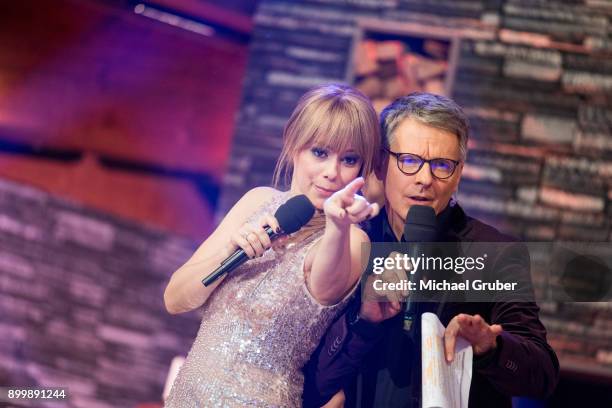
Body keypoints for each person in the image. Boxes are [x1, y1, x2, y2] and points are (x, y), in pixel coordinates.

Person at [303, 92, 560, 408]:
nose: (425, 179)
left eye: (441, 165)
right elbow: (313, 384)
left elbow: (542, 377)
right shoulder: (351, 242)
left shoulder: (495, 253)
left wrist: (491, 348)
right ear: (381, 165)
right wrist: (364, 321)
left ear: (458, 174)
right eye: (409, 161)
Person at [162, 83, 382, 407]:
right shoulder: (258, 201)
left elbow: (322, 288)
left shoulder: (352, 239)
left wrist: (337, 223)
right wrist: (228, 253)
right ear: (294, 145)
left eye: (349, 159)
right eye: (320, 153)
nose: (332, 172)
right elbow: (175, 299)